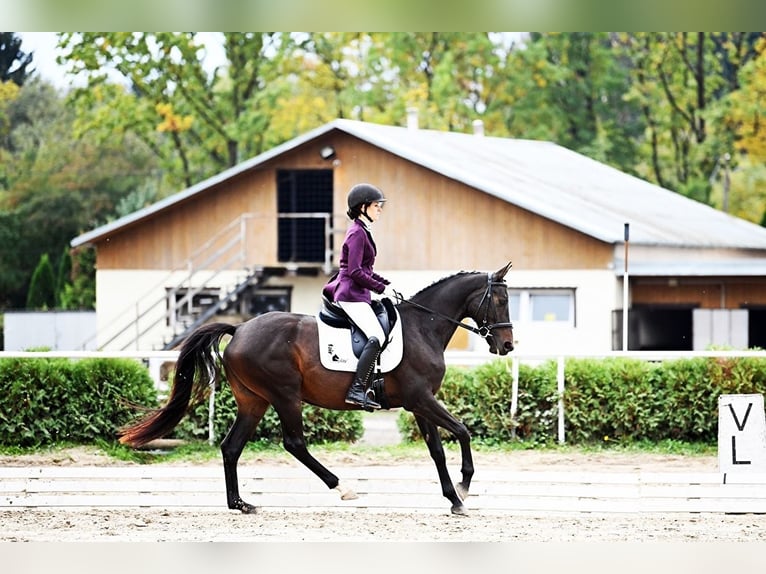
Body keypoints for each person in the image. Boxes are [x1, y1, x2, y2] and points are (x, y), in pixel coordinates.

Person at [323, 183, 391, 410]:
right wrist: (378, 289)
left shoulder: (362, 230)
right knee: (376, 336)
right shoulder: (356, 233)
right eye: (376, 205)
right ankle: (357, 389)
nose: (379, 209)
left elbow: (366, 269)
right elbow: (354, 271)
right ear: (363, 207)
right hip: (350, 294)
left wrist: (384, 283)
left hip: (358, 292)